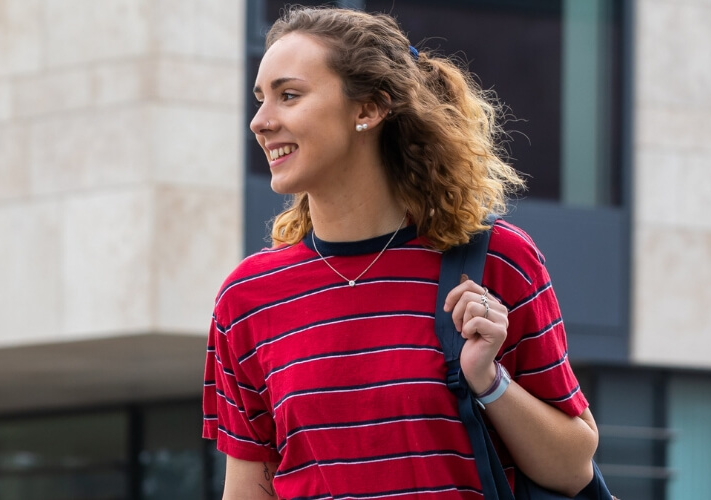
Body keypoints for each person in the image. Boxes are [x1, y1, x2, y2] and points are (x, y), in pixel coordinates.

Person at [204, 6, 599, 498]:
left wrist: (488, 380)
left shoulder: (497, 258)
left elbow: (574, 467)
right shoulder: (248, 298)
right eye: (261, 100)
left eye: (289, 96)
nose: (260, 122)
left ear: (367, 109)